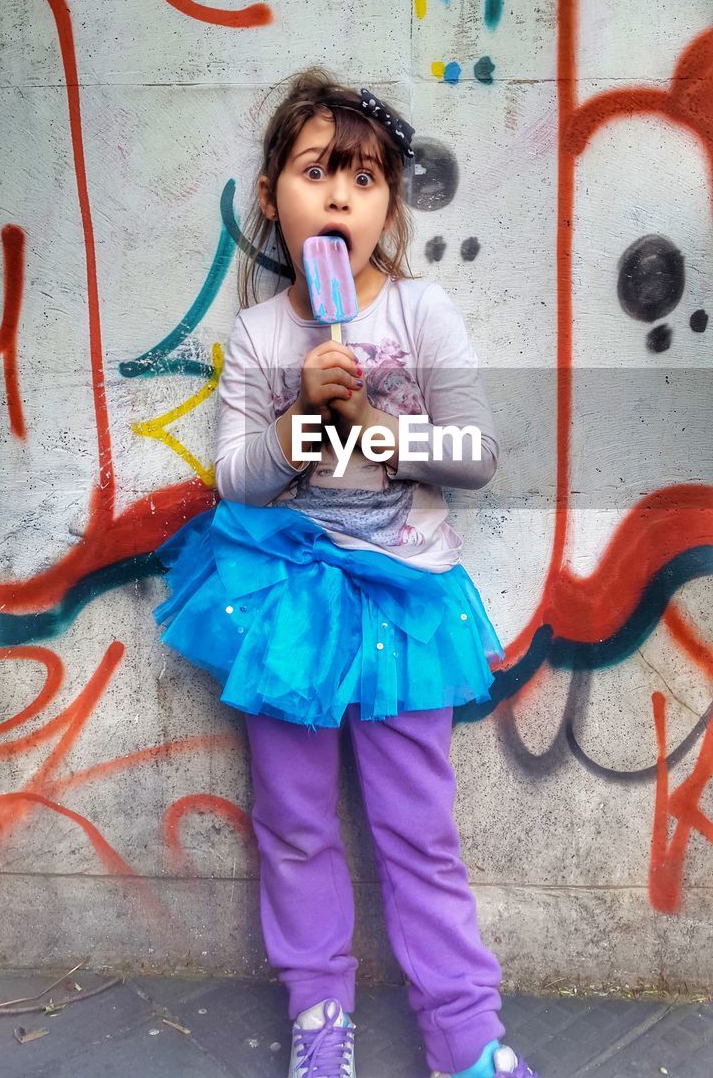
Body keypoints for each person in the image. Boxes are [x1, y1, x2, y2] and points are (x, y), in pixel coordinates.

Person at [153, 70, 539, 1078]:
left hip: (406, 600)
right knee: (293, 820)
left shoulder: (421, 312)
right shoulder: (262, 334)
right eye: (314, 169)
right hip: (291, 599)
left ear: (388, 206)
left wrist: (378, 425)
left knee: (418, 829)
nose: (337, 195)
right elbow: (239, 481)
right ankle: (320, 1012)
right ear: (272, 194)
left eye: (363, 178)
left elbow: (478, 454)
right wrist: (300, 419)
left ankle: (465, 1028)